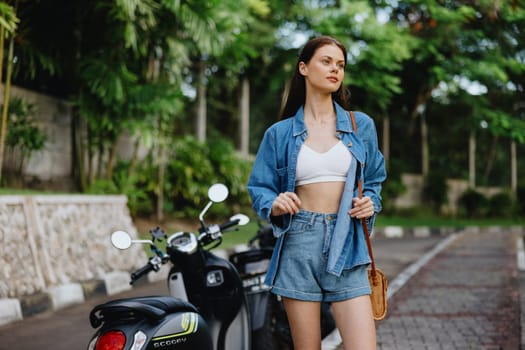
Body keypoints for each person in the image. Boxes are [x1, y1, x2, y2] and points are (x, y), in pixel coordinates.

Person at [247, 35, 386, 350]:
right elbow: (260, 187)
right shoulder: (279, 134)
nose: (335, 70)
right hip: (299, 242)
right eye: (326, 61)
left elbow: (375, 177)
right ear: (304, 67)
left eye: (341, 65)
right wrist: (276, 203)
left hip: (347, 243)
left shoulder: (360, 125)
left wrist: (371, 202)